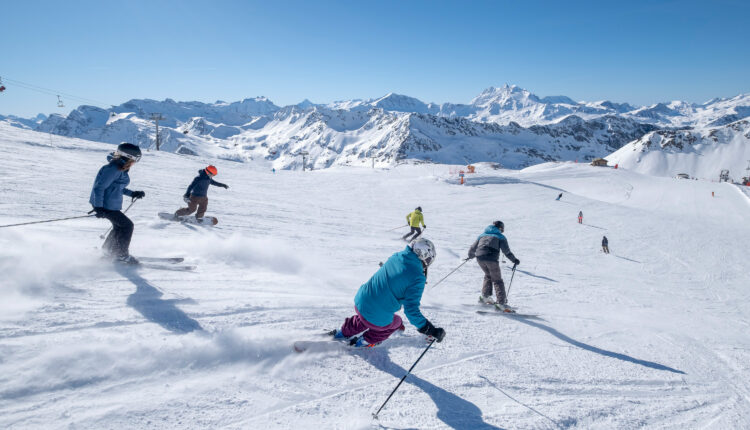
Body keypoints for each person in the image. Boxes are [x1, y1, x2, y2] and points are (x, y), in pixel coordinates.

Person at [331, 238, 446, 348]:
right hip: (376, 315)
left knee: (367, 317)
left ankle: (342, 333)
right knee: (396, 322)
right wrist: (430, 330)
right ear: (424, 256)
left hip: (361, 301)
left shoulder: (396, 256)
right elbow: (411, 311)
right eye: (428, 259)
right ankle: (365, 341)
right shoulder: (417, 277)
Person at [89, 142, 146, 264]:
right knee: (127, 226)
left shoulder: (119, 168)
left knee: (119, 226)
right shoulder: (113, 169)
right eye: (135, 159)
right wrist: (99, 207)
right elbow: (99, 188)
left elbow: (117, 187)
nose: (135, 162)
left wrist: (133, 193)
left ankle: (108, 251)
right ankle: (120, 256)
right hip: (106, 206)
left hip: (109, 204)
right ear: (127, 157)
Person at [467, 221, 520, 307]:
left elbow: (473, 247)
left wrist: (470, 256)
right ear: (500, 228)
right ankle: (501, 303)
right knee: (497, 280)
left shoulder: (482, 235)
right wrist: (514, 260)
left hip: (479, 258)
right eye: (502, 229)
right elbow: (506, 251)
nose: (502, 231)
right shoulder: (500, 237)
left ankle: (485, 297)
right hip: (491, 259)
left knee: (488, 275)